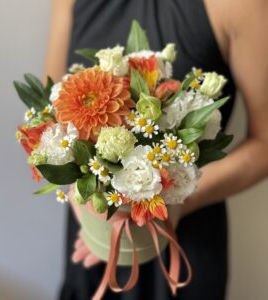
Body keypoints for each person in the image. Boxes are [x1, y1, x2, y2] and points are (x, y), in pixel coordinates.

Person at [43, 0, 268, 299]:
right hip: (92, 231)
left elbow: (264, 143)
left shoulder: (241, 6)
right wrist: (83, 202)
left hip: (184, 236)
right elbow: (49, 117)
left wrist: (173, 205)